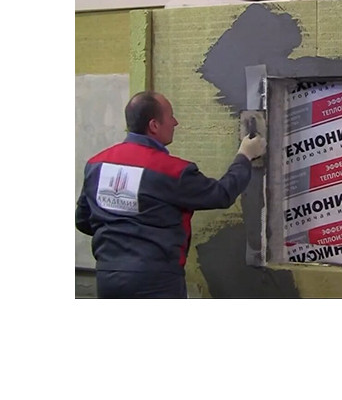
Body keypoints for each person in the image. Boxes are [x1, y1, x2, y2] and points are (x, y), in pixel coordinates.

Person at [76, 91, 266, 298]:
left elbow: (83, 221)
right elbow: (221, 194)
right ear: (154, 125)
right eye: (170, 117)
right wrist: (245, 156)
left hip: (107, 278)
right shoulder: (172, 171)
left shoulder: (97, 164)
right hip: (156, 281)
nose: (175, 122)